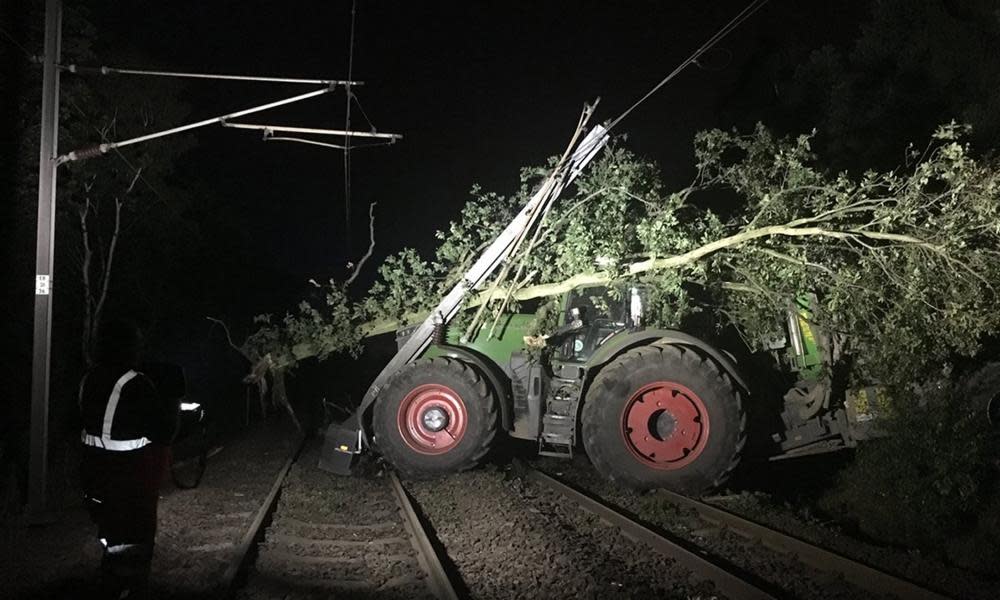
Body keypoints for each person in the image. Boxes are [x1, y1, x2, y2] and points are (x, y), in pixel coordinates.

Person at [78, 319, 177, 598]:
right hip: (130, 477)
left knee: (110, 536)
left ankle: (111, 581)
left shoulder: (89, 379)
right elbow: (163, 431)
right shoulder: (136, 384)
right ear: (130, 348)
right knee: (134, 543)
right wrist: (173, 406)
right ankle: (128, 588)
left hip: (95, 473)